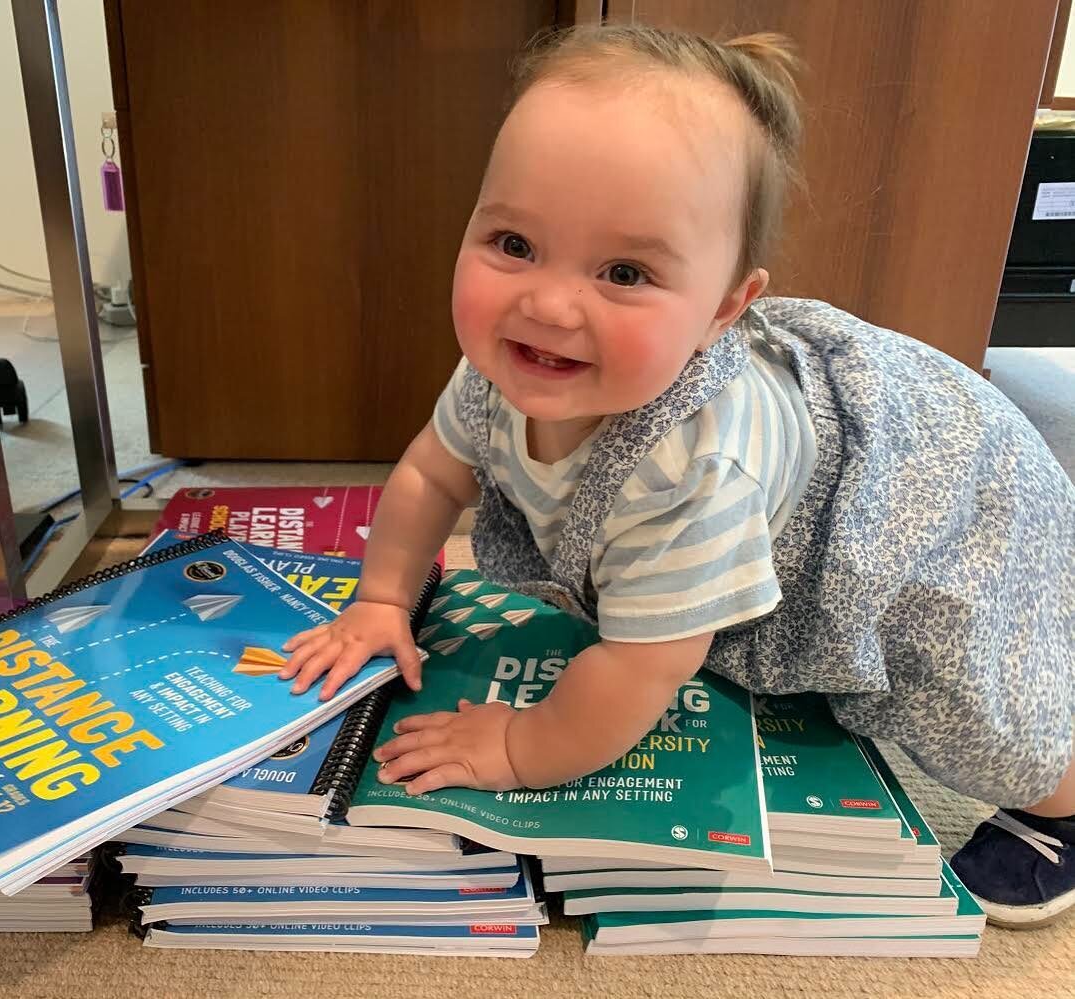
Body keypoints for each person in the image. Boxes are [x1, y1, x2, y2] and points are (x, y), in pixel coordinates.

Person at [279, 23, 1075, 929]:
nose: (545, 303)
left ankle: (1063, 802)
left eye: (624, 271)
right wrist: (384, 596)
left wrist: (521, 743)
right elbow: (432, 472)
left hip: (924, 491)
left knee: (961, 686)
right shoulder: (499, 371)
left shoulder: (689, 471)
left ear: (725, 310)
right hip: (799, 460)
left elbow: (645, 665)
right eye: (513, 243)